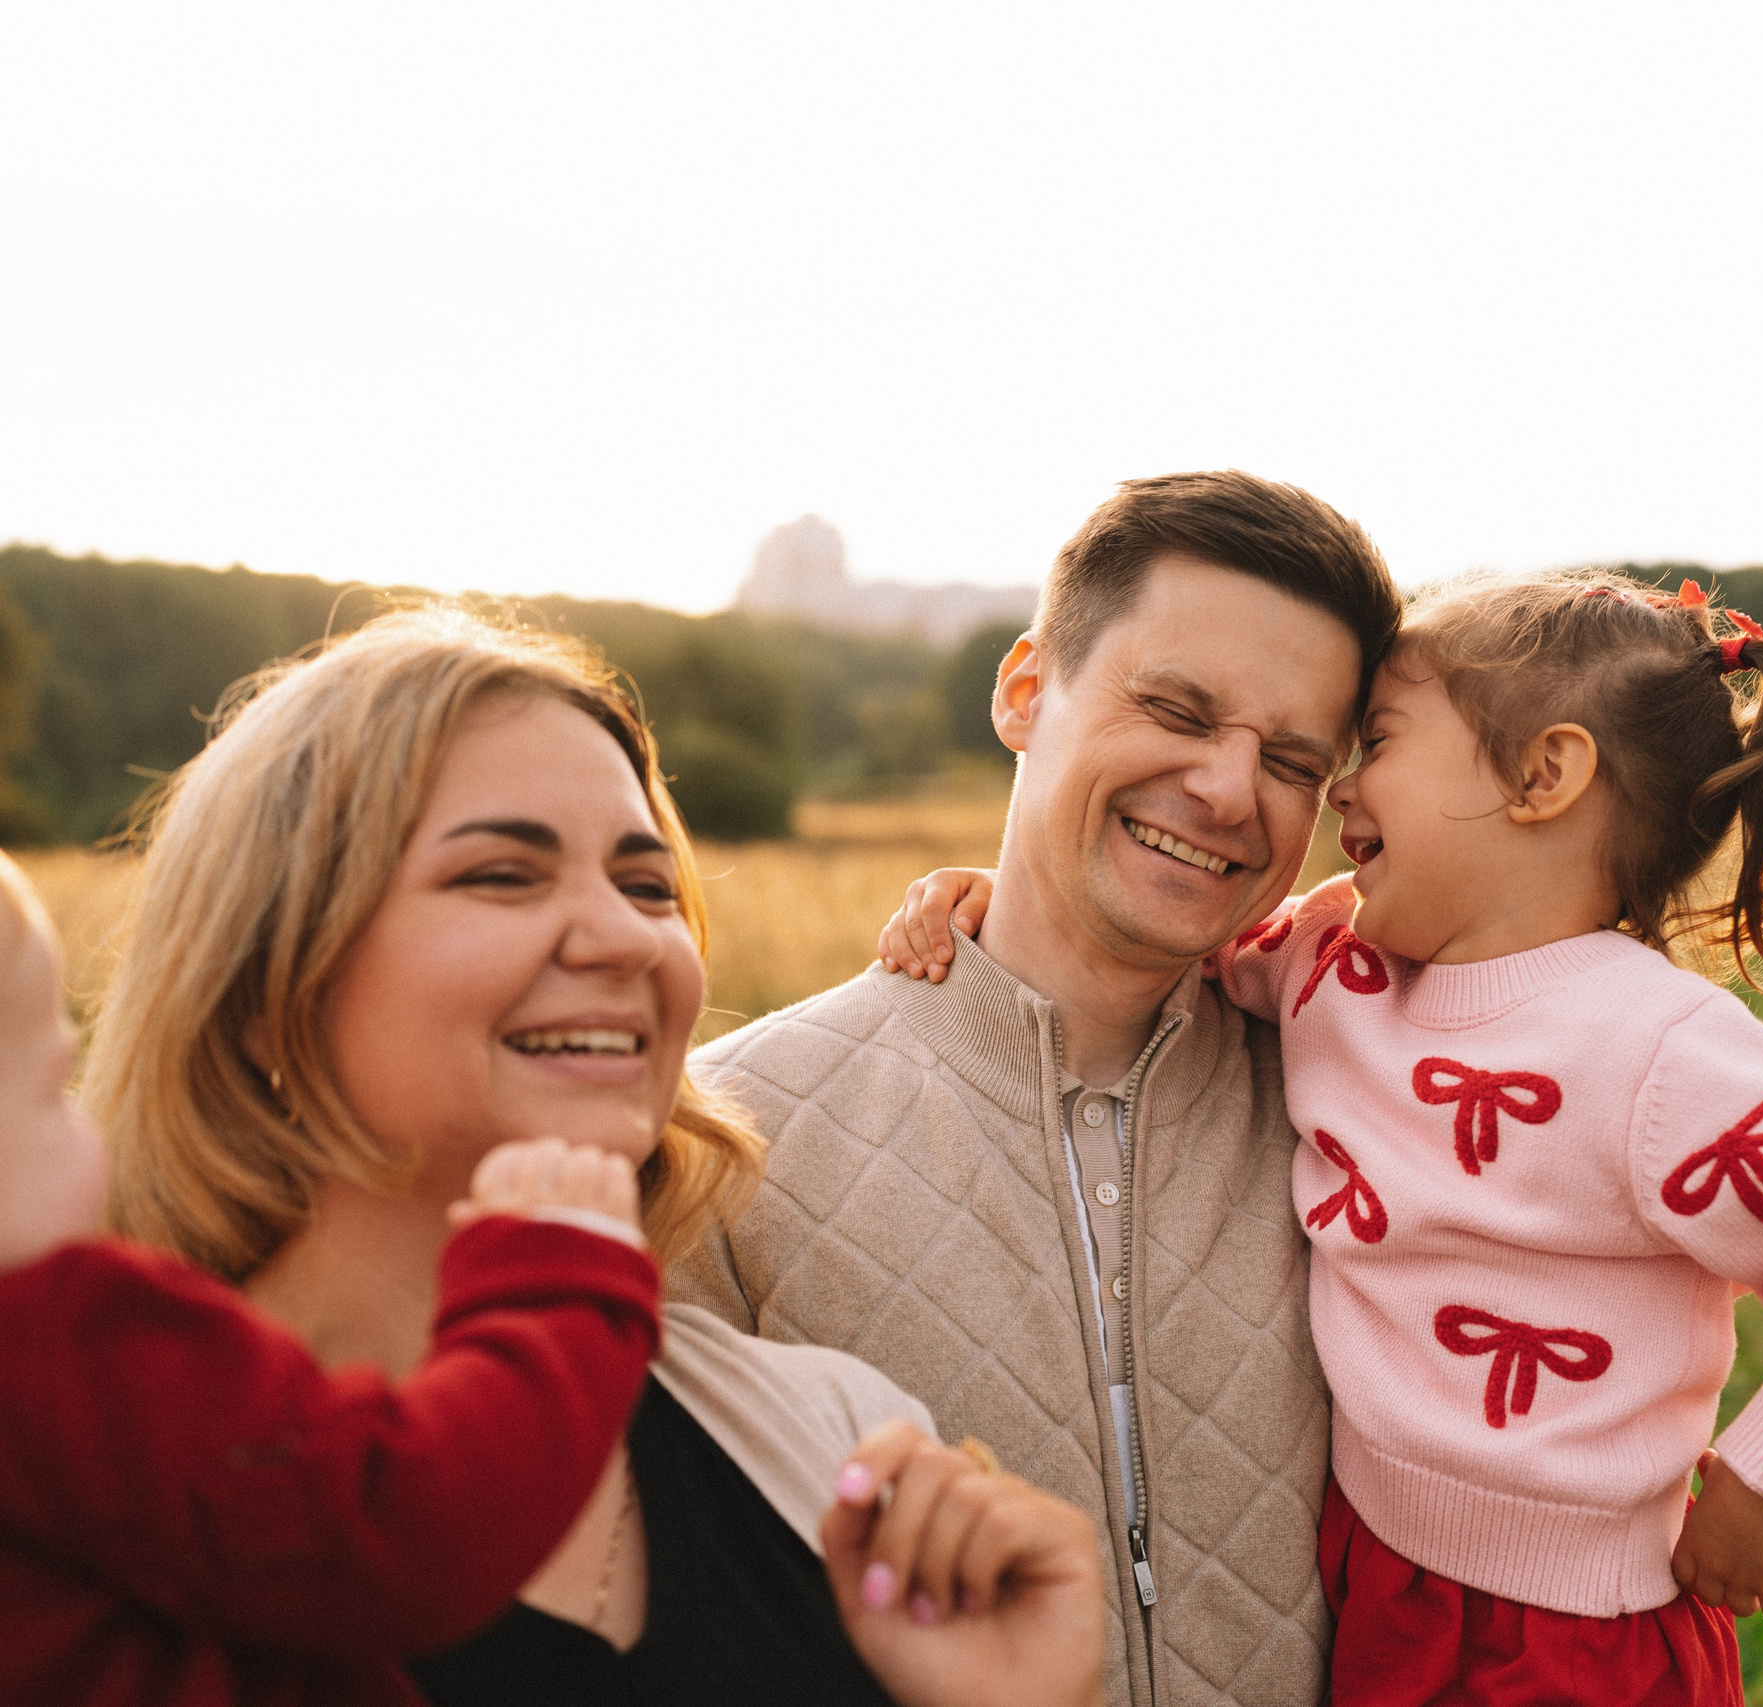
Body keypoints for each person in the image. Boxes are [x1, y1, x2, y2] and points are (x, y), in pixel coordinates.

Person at [881, 570, 1763, 1705]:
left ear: (1541, 776)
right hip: (1369, 1573)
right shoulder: (1329, 961)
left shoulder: (1656, 1048)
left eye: (1380, 741)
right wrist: (1002, 896)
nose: (1342, 791)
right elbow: (1165, 935)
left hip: (1574, 1637)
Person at [76, 608, 1105, 1707]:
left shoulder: (831, 1440)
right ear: (264, 985)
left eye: (647, 885)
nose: (620, 936)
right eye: (502, 876)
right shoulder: (98, 1503)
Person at [671, 470, 1404, 1707]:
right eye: (1173, 707)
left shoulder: (1379, 1101)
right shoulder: (724, 1138)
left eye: (1290, 758)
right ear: (1023, 689)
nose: (1228, 791)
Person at [0, 851, 662, 1707]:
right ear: (274, 1002)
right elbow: (403, 1522)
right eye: (56, 1089)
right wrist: (559, 1289)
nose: (622, 938)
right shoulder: (54, 1345)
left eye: (648, 885)